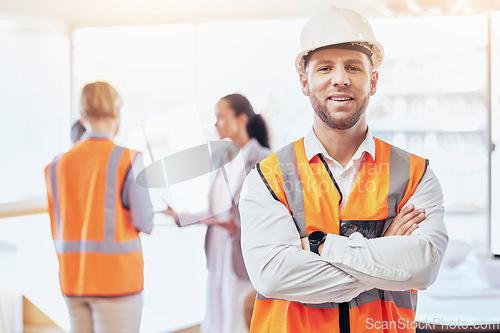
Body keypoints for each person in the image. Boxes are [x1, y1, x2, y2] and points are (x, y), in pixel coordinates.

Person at [239, 7, 449, 333]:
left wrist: (318, 246)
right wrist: (384, 250)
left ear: (373, 81)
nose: (340, 78)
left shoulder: (415, 174)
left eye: (353, 67)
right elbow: (272, 275)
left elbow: (422, 267)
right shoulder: (267, 178)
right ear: (305, 82)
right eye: (325, 68)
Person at [45, 82, 153, 333]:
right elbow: (144, 222)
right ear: (117, 113)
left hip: (73, 281)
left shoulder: (55, 166)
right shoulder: (128, 159)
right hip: (116, 284)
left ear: (83, 115)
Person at [165, 93, 271, 333]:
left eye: (221, 117)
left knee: (239, 318)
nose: (215, 124)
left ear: (241, 119)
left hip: (242, 255)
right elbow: (215, 210)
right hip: (217, 252)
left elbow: (273, 218)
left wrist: (236, 229)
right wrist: (181, 216)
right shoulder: (221, 159)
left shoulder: (264, 160)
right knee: (217, 316)